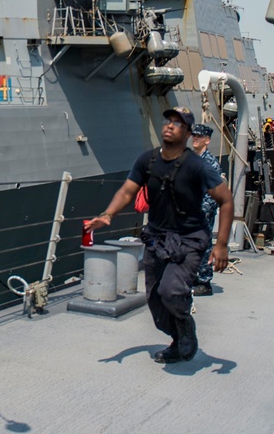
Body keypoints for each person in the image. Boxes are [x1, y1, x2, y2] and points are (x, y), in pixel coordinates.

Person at [85, 107, 233, 363]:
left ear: (187, 134)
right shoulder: (147, 161)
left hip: (188, 241)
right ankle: (178, 340)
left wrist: (221, 245)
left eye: (178, 123)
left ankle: (186, 328)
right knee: (156, 302)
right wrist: (108, 214)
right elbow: (128, 191)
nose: (170, 125)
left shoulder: (198, 166)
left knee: (171, 292)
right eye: (168, 121)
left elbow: (226, 200)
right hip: (156, 239)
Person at [190, 124, 222, 296]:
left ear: (207, 140)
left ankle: (205, 282)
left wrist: (202, 212)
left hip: (202, 212)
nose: (195, 139)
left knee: (203, 246)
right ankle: (194, 276)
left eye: (199, 137)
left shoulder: (210, 164)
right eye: (194, 136)